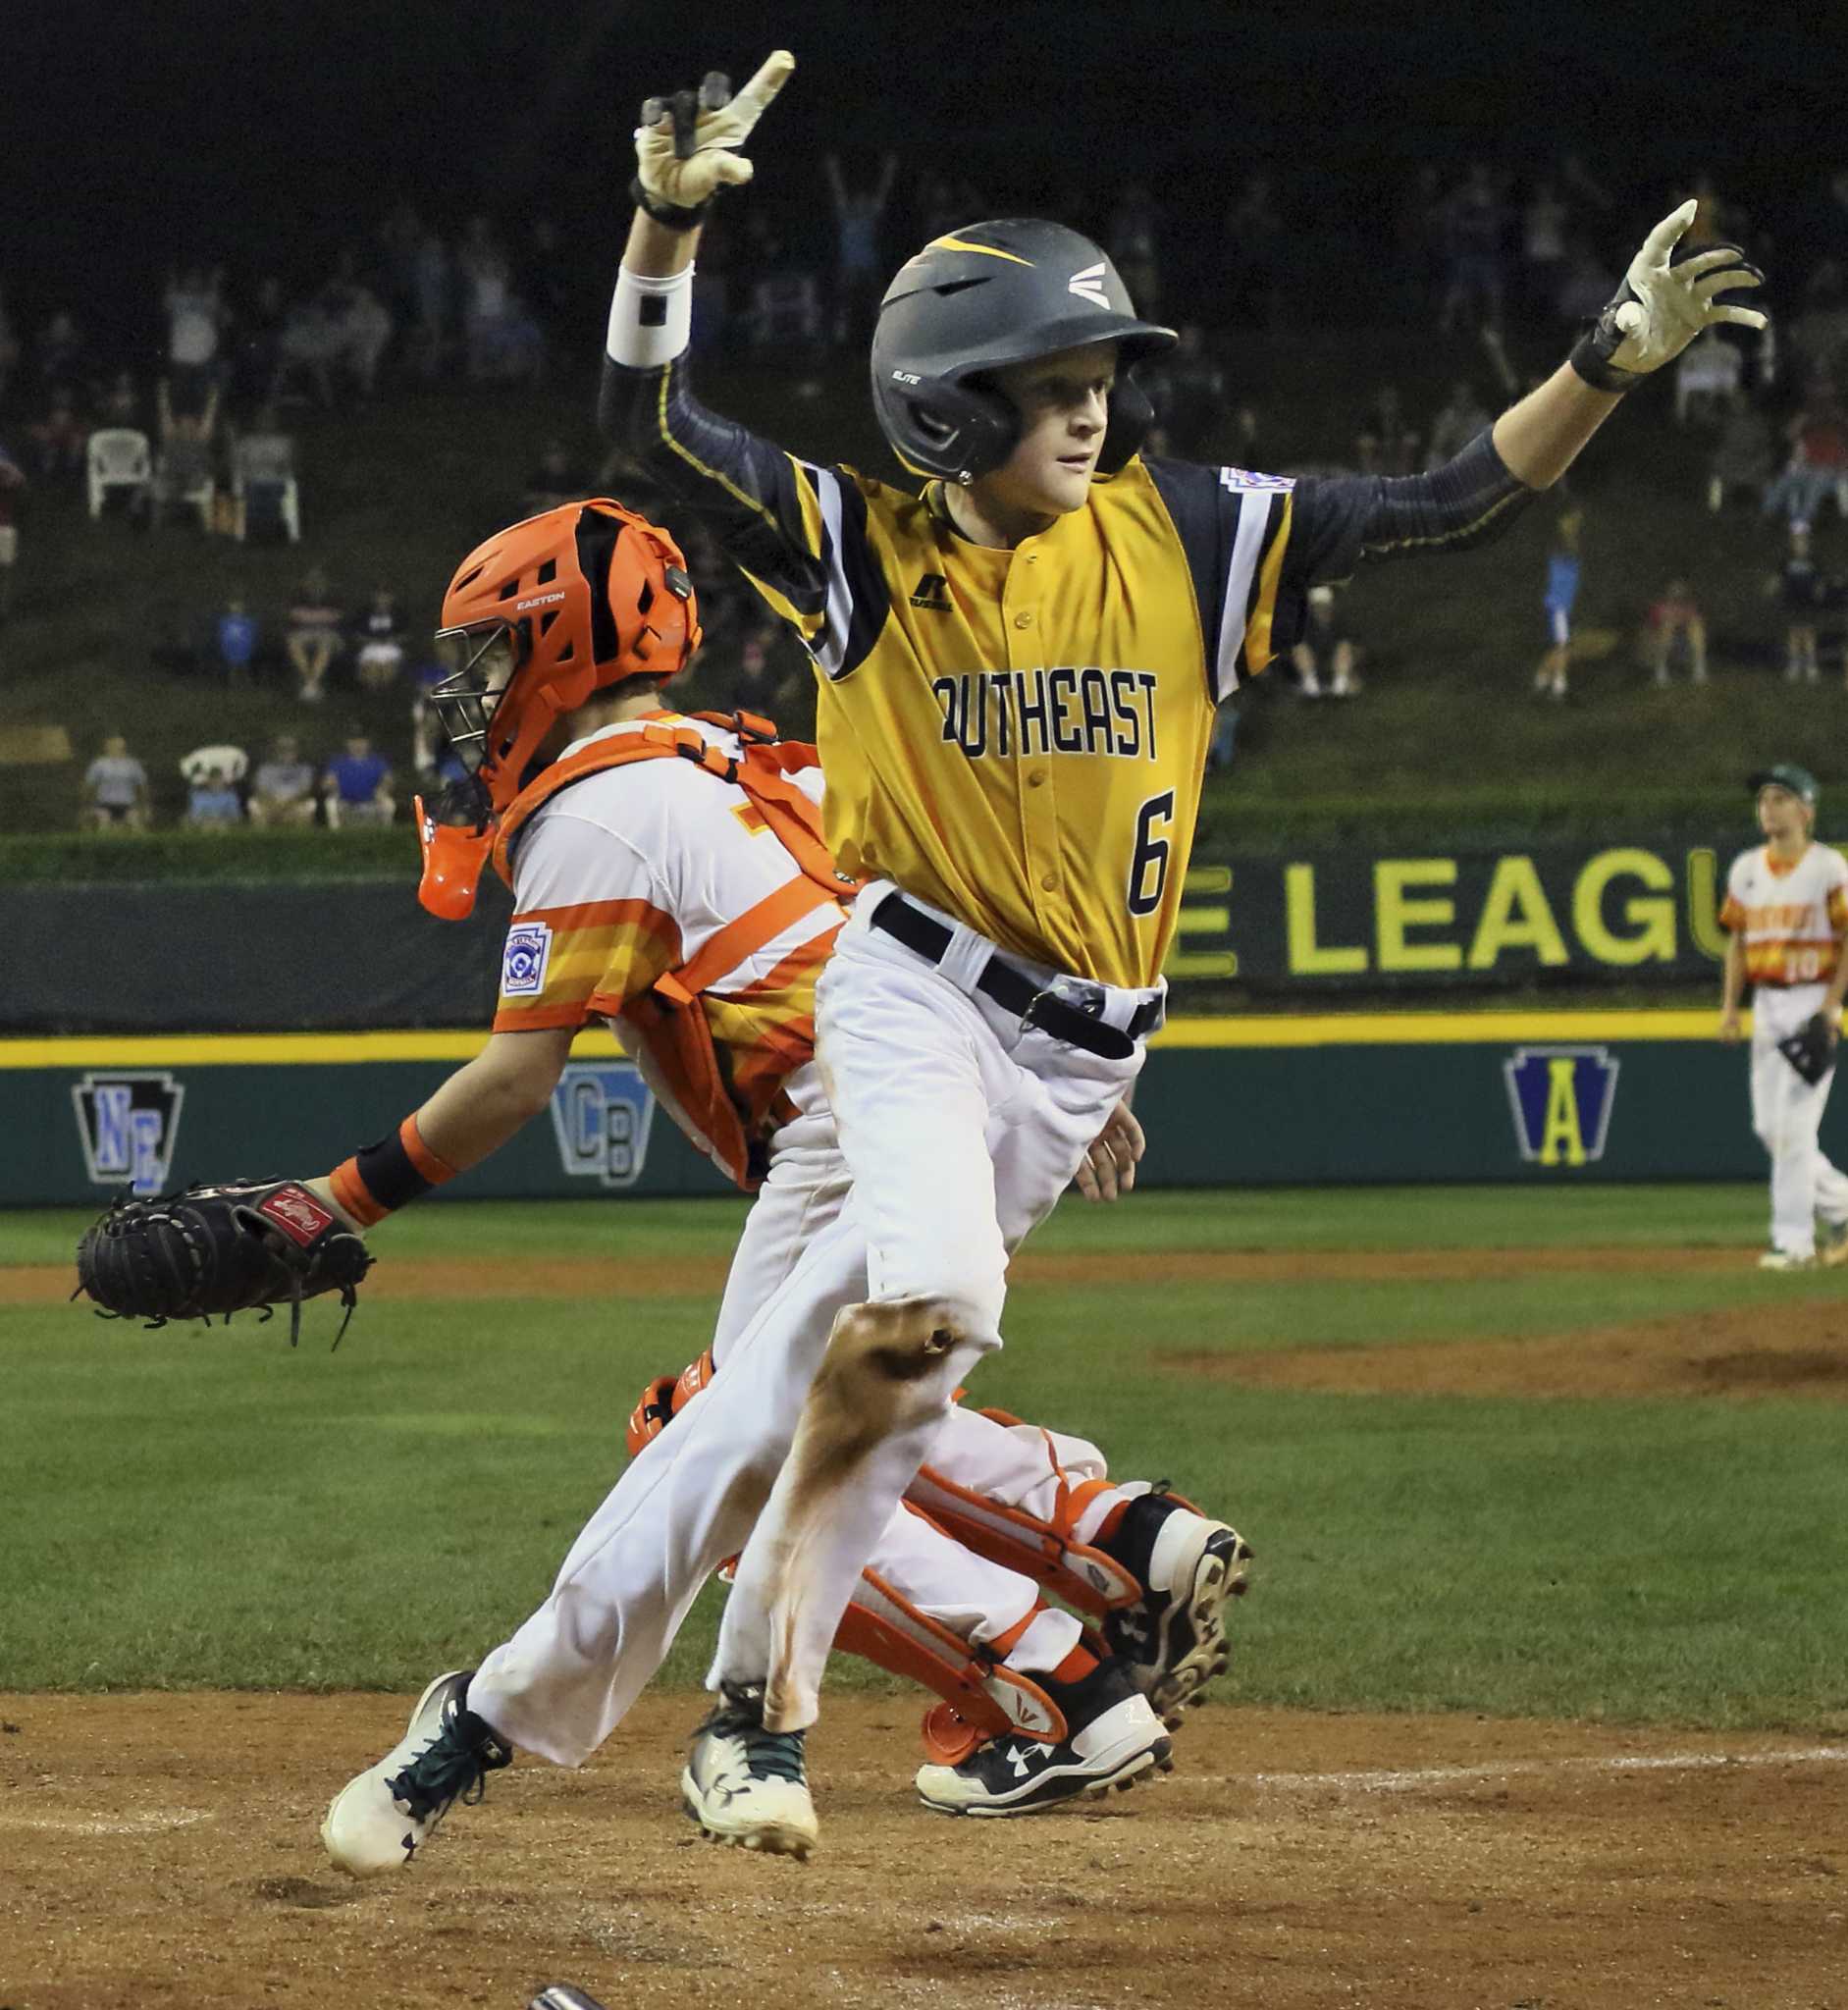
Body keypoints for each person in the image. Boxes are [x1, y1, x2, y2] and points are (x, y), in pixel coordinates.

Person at [595, 40, 1765, 1823]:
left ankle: (1030, 1675)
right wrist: (662, 230)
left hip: (1066, 1049)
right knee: (860, 1355)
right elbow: (649, 433)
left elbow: (1453, 500)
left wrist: (1604, 359)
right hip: (910, 999)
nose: (1085, 406)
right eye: (1042, 380)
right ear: (944, 405)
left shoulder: (1190, 532)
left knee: (778, 1397)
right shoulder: (864, 543)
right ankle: (819, 1701)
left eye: (1096, 378)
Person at [315, 500, 1244, 1873]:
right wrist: (1048, 1057)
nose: (477, 687)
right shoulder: (753, 760)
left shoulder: (595, 809)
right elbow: (944, 889)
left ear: (566, 646)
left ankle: (1020, 1657)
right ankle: (1091, 1577)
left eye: (497, 653)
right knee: (795, 1413)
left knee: (721, 1432)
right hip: (953, 1081)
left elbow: (514, 1081)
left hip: (849, 1114)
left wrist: (333, 1203)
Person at [1717, 765, 1848, 1270]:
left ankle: (1793, 1243)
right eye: (1764, 800)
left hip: (1811, 999)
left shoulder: (1829, 868)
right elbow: (1737, 944)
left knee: (1794, 1128)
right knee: (1769, 1129)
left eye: (1779, 798)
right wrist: (1731, 1007)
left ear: (1806, 810)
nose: (1767, 808)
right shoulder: (1746, 868)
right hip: (1768, 1005)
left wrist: (1832, 1005)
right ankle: (1841, 1205)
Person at [1534, 504, 1583, 701]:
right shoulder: (1558, 544)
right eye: (1572, 520)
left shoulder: (1573, 543)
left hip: (1566, 604)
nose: (1575, 524)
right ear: (1562, 522)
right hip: (1558, 604)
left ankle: (1541, 681)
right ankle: (1559, 689)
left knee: (1559, 647)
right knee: (1563, 646)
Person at [1771, 522, 1824, 683]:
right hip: (1792, 601)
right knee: (1793, 634)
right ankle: (1794, 665)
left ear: (1807, 542)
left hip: (1808, 602)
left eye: (1802, 540)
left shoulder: (1813, 560)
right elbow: (1778, 578)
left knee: (1808, 634)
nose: (1800, 544)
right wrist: (1773, 586)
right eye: (1796, 540)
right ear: (1792, 542)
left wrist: (1819, 591)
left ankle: (1811, 666)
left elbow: (1819, 581)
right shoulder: (1786, 560)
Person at [286, 566, 343, 702]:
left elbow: (337, 618)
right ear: (305, 582)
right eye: (311, 580)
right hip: (303, 632)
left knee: (325, 645)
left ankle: (310, 685)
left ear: (324, 582)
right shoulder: (297, 596)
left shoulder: (333, 597)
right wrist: (321, 617)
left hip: (327, 632)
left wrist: (309, 617)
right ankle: (312, 683)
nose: (314, 583)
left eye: (318, 580)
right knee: (293, 643)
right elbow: (294, 617)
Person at [321, 729, 394, 827]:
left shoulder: (377, 762)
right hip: (344, 800)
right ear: (347, 743)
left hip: (371, 801)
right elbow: (326, 782)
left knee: (389, 804)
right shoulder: (337, 762)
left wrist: (382, 789)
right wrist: (331, 785)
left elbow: (388, 780)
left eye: (361, 741)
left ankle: (386, 835)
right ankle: (336, 836)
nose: (357, 745)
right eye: (354, 741)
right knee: (330, 803)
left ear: (367, 743)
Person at [80, 732, 149, 830]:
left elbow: (142, 785)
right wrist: (85, 806)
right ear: (107, 746)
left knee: (137, 827)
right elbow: (89, 785)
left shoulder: (132, 764)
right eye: (113, 745)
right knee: (103, 827)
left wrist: (145, 805)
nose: (116, 748)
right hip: (104, 804)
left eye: (119, 745)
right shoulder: (99, 764)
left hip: (127, 804)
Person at [1646, 578, 1708, 686]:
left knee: (1696, 625)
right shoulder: (1660, 607)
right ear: (1668, 592)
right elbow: (1653, 625)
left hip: (1684, 639)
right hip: (1662, 639)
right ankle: (1661, 671)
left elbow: (1694, 618)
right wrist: (1671, 620)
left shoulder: (1689, 606)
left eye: (1680, 590)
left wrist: (1681, 621)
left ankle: (1699, 669)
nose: (1677, 592)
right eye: (1674, 590)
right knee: (1667, 625)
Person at [246, 733, 319, 826]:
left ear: (297, 751)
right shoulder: (265, 769)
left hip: (295, 805)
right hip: (270, 804)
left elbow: (305, 790)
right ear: (276, 751)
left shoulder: (305, 769)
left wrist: (287, 803)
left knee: (310, 805)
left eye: (291, 749)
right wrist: (275, 803)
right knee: (254, 805)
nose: (286, 753)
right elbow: (261, 790)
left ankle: (303, 838)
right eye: (283, 749)